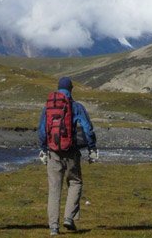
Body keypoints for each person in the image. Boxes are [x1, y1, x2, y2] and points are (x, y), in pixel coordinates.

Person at [38, 77, 98, 236]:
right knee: (75, 182)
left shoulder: (49, 107)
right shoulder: (76, 107)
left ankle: (53, 228)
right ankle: (69, 218)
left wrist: (43, 149)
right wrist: (92, 148)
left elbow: (42, 131)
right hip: (72, 152)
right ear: (71, 89)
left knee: (54, 189)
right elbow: (87, 129)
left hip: (53, 152)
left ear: (58, 89)